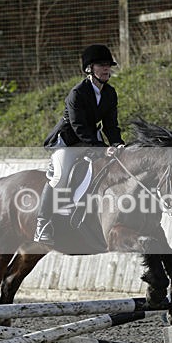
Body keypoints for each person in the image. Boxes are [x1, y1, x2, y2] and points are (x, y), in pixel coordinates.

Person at [34, 44, 125, 245]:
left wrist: (117, 143)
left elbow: (111, 124)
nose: (106, 69)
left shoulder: (110, 93)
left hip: (92, 139)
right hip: (70, 141)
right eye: (101, 65)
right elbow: (78, 126)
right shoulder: (77, 93)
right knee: (60, 176)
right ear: (89, 69)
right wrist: (101, 148)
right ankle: (42, 223)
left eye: (108, 65)